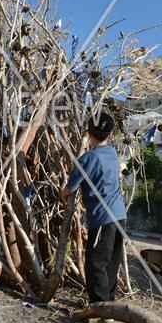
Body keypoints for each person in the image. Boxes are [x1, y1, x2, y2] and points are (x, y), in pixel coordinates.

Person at [60, 111, 126, 304]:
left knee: (95, 263)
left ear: (88, 133)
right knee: (111, 262)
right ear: (110, 134)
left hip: (102, 218)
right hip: (119, 215)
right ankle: (109, 303)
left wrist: (61, 195)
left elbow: (69, 189)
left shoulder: (88, 159)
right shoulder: (113, 153)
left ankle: (100, 306)